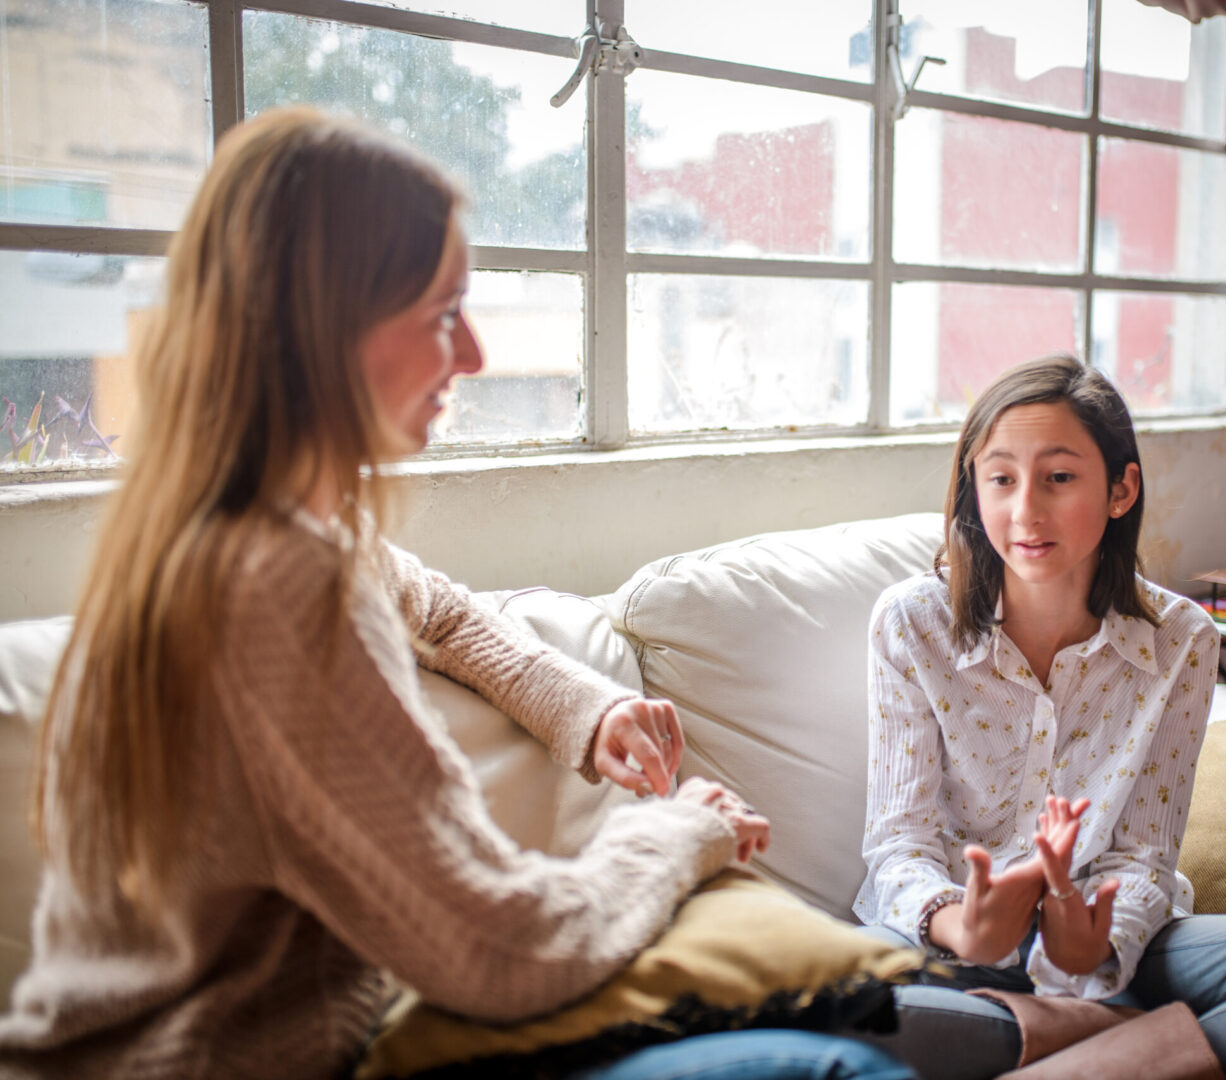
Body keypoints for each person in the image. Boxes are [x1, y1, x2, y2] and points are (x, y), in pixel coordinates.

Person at [0, 107, 915, 1080]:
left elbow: (434, 612)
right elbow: (500, 952)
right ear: (323, 331)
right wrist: (682, 833)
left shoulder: (237, 530)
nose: (473, 354)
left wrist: (588, 708)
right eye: (442, 315)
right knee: (837, 1067)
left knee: (859, 1019)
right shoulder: (278, 592)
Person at [854, 354, 1226, 1080]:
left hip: (1121, 955)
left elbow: (1143, 858)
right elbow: (898, 845)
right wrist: (963, 925)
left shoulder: (1181, 640)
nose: (1025, 510)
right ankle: (1135, 1051)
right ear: (973, 490)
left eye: (1059, 477)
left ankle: (1088, 1043)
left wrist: (1091, 947)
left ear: (1120, 488)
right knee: (833, 1012)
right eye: (1001, 478)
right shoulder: (913, 622)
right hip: (943, 960)